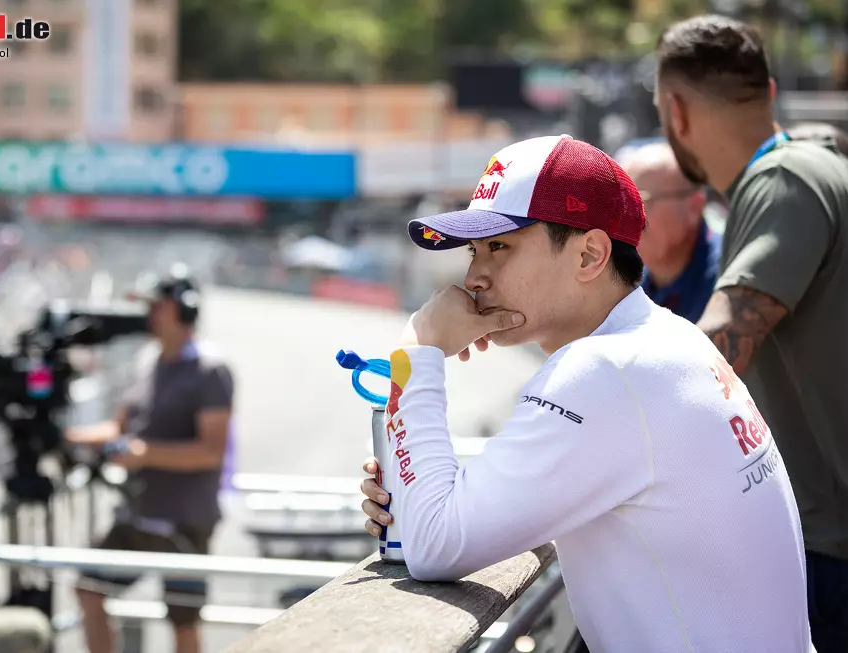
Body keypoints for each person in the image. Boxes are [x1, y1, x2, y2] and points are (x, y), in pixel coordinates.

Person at [358, 134, 812, 652]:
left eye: (500, 247)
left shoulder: (603, 370)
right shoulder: (661, 338)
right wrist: (421, 488)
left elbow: (431, 544)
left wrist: (420, 349)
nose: (473, 276)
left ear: (590, 254)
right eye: (474, 251)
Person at [653, 16, 848, 651]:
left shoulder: (783, 180)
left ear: (676, 114)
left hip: (828, 552)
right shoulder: (809, 169)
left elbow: (709, 354)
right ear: (767, 90)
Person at [66, 266, 234, 653]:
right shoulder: (147, 360)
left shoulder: (211, 370)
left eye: (156, 306)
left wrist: (144, 453)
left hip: (184, 524)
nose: (148, 314)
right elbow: (118, 427)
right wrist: (65, 439)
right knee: (89, 589)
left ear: (182, 310)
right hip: (139, 514)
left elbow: (211, 451)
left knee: (183, 622)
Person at [618, 140, 721, 323]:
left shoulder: (728, 281)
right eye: (622, 203)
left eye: (640, 202)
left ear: (694, 206)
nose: (626, 217)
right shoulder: (626, 288)